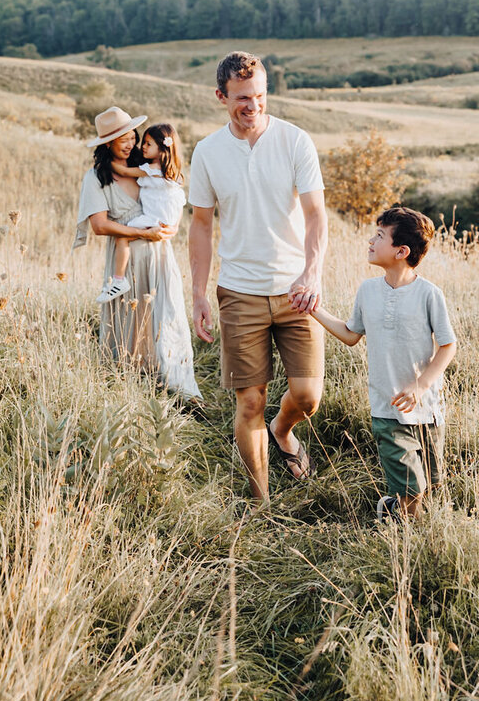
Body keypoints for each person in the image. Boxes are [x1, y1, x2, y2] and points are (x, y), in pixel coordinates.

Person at [188, 51, 328, 502]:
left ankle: (282, 431)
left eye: (261, 96)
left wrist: (311, 274)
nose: (253, 106)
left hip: (296, 292)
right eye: (243, 98)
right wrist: (198, 293)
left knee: (307, 397)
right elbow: (202, 225)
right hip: (240, 292)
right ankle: (261, 502)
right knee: (248, 401)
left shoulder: (295, 141)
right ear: (221, 96)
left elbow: (315, 215)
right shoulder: (208, 152)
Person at [309, 206, 456, 521]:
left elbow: (448, 345)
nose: (370, 241)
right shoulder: (368, 290)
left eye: (379, 236)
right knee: (411, 487)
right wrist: (315, 310)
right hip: (387, 409)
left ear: (401, 251)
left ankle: (392, 510)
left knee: (430, 486)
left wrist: (420, 385)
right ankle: (406, 541)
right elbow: (351, 335)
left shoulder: (430, 294)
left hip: (427, 410)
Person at [74, 106, 202, 402]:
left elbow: (172, 197)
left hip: (158, 257)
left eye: (133, 137)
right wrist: (143, 234)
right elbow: (100, 226)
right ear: (108, 144)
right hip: (126, 260)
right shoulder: (96, 178)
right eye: (123, 140)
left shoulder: (149, 169)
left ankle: (174, 387)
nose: (131, 143)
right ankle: (126, 389)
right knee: (127, 322)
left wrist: (173, 226)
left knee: (163, 317)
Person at [97, 122, 187, 304]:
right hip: (166, 218)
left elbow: (123, 170)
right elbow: (180, 200)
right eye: (143, 143)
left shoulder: (151, 170)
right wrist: (175, 224)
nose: (142, 147)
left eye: (148, 144)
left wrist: (106, 162)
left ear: (162, 148)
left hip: (153, 218)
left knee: (122, 237)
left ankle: (119, 280)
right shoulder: (170, 172)